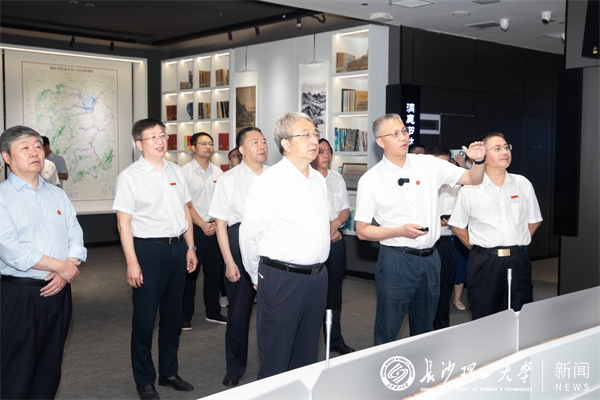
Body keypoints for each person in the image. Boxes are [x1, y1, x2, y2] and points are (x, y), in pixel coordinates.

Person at [354, 113, 486, 345]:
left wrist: (478, 161)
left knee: (425, 328)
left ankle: (421, 367)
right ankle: (384, 367)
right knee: (389, 327)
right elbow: (363, 230)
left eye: (404, 131)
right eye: (395, 134)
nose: (403, 137)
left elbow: (473, 178)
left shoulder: (428, 164)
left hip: (431, 259)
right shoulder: (371, 179)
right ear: (380, 142)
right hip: (396, 260)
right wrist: (399, 231)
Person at [239, 112, 330, 379]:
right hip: (282, 278)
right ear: (286, 143)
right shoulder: (270, 181)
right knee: (276, 355)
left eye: (315, 134)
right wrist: (257, 275)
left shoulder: (318, 179)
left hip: (317, 278)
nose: (314, 140)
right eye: (305, 135)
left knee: (306, 354)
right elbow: (249, 235)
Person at [113, 119, 198, 400]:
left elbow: (186, 211)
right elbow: (124, 224)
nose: (160, 141)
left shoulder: (176, 170)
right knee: (145, 319)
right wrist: (132, 262)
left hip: (177, 249)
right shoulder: (130, 176)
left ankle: (169, 373)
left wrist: (190, 247)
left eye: (162, 135)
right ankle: (144, 380)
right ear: (139, 144)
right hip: (147, 251)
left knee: (173, 317)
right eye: (152, 137)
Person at [0, 126, 86, 399]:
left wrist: (68, 266)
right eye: (24, 148)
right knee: (16, 370)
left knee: (50, 368)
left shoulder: (57, 194)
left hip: (60, 291)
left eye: (37, 146)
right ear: (6, 157)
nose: (34, 152)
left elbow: (75, 233)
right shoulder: (2, 197)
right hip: (21, 295)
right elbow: (11, 249)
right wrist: (61, 267)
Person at [450, 132, 542, 320]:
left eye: (507, 147)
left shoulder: (522, 183)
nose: (505, 152)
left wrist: (517, 242)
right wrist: (479, 249)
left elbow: (534, 220)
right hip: (485, 262)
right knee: (485, 316)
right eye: (497, 148)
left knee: (520, 314)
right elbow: (458, 227)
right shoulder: (470, 189)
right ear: (483, 156)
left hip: (518, 260)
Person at [208, 126, 268, 387]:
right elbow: (220, 224)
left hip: (271, 245)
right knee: (239, 312)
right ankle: (235, 367)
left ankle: (272, 363)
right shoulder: (229, 179)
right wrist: (229, 262)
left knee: (272, 310)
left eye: (264, 141)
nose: (262, 146)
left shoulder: (276, 176)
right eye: (255, 142)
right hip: (238, 242)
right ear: (242, 149)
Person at [310, 138, 355, 355]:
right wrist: (326, 230)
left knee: (334, 293)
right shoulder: (305, 178)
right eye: (321, 151)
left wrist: (335, 225)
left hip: (336, 240)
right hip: (312, 243)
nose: (326, 155)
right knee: (311, 295)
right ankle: (308, 343)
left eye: (329, 151)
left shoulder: (337, 178)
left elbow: (345, 209)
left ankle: (334, 339)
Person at [181, 132, 227, 328]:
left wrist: (215, 224)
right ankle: (185, 316)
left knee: (214, 273)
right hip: (193, 229)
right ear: (193, 148)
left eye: (210, 143)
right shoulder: (184, 172)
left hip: (215, 228)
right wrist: (201, 224)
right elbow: (186, 204)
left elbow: (223, 201)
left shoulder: (219, 172)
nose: (208, 147)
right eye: (203, 144)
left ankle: (213, 312)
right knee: (190, 274)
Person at [425, 143, 460, 330]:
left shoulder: (456, 183)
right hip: (422, 241)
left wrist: (454, 219)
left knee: (444, 287)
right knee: (423, 290)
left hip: (446, 240)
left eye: (445, 163)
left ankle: (441, 329)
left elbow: (464, 210)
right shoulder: (419, 183)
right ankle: (422, 331)